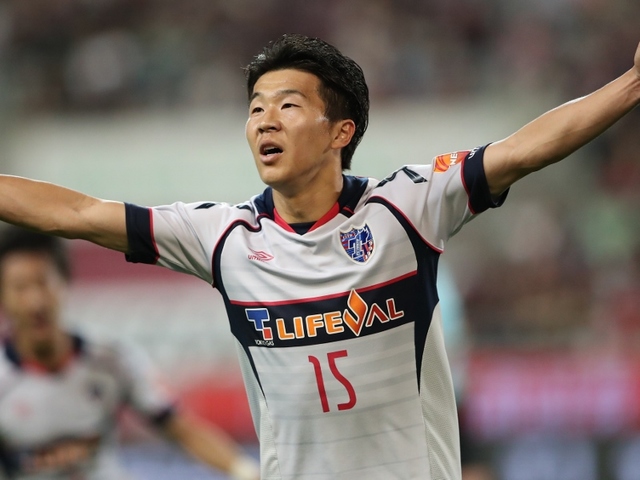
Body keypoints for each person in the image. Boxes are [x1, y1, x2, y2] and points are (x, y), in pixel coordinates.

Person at [0, 33, 637, 479]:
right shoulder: (222, 237)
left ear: (341, 131)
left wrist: (633, 83)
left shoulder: (407, 209)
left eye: (287, 105)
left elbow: (524, 150)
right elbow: (78, 214)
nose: (264, 120)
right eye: (255, 108)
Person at [0, 226, 259, 480]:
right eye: (20, 288)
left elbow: (179, 427)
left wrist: (246, 472)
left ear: (64, 282)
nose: (35, 301)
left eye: (43, 282)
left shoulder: (110, 359)